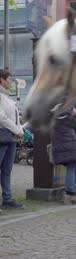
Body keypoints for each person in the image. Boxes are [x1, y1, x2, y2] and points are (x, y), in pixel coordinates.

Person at [51, 108, 76, 205]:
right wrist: (75, 114)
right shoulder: (62, 112)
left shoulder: (65, 111)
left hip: (72, 142)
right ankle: (69, 194)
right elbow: (71, 123)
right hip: (68, 143)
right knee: (72, 167)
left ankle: (72, 192)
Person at [0, 69, 24, 210]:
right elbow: (1, 117)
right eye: (8, 79)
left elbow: (15, 118)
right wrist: (16, 130)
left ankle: (8, 199)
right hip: (3, 136)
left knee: (7, 170)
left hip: (10, 138)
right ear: (1, 80)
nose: (10, 81)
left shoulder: (7, 97)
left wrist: (20, 130)